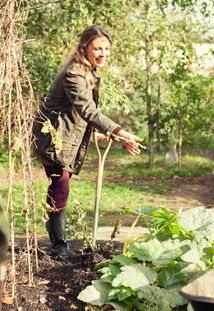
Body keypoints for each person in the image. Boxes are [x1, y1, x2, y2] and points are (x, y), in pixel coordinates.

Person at [32, 26, 143, 258]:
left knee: (59, 185)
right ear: (84, 48)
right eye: (98, 48)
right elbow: (87, 110)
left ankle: (56, 239)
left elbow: (77, 114)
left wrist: (108, 134)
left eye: (107, 49)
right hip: (52, 138)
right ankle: (58, 244)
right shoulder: (74, 73)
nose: (103, 54)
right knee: (60, 183)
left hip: (65, 137)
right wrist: (120, 131)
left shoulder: (89, 72)